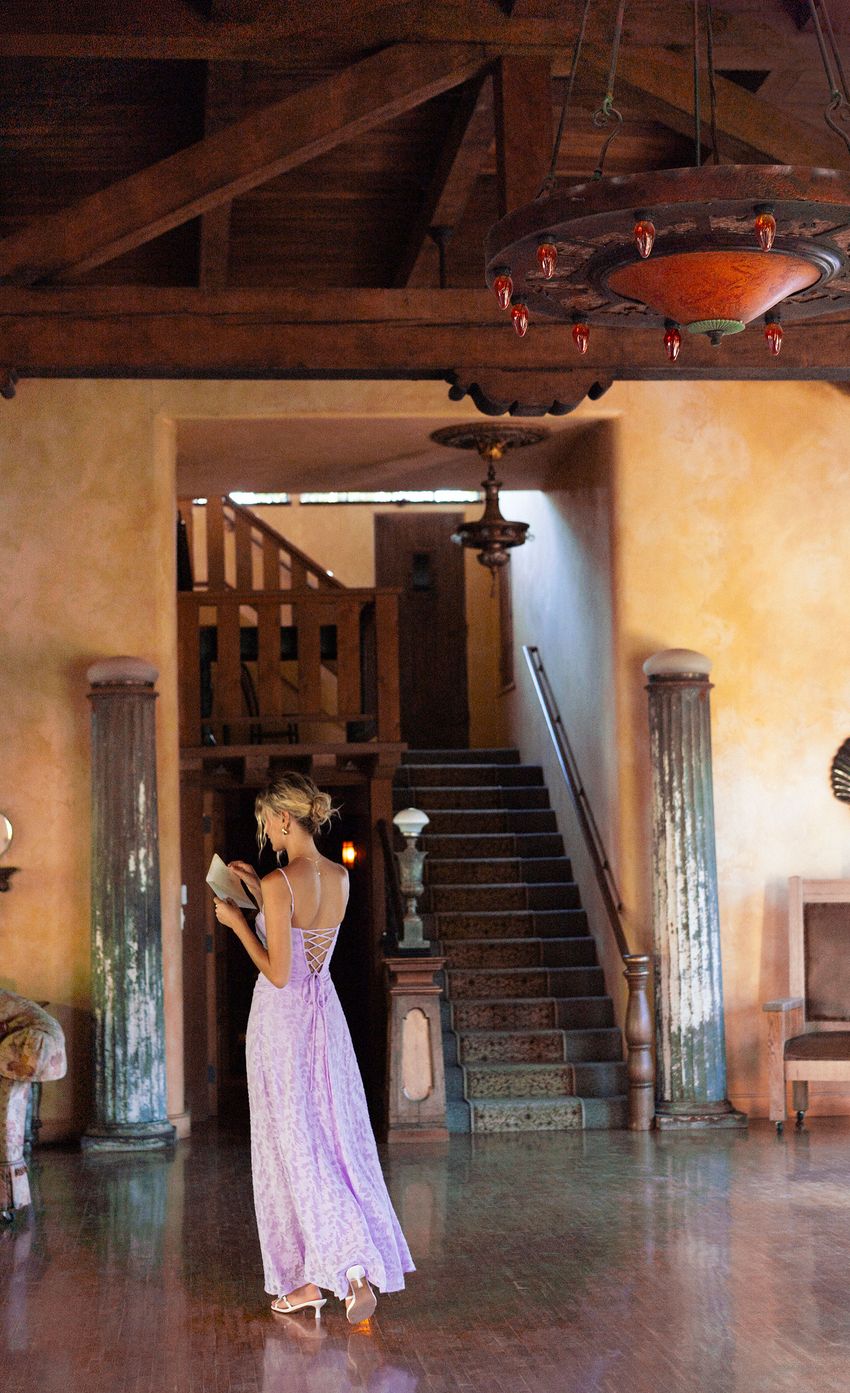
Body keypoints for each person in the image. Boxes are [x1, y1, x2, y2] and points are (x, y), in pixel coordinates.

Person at [213, 771, 414, 1323]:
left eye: (266, 824)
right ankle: (329, 1275)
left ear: (284, 817)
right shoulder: (339, 876)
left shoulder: (281, 881)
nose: (267, 835)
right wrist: (258, 893)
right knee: (327, 1138)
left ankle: (337, 1271)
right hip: (324, 1018)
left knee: (290, 1149)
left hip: (281, 1024)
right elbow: (303, 937)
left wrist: (237, 922)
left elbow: (279, 971)